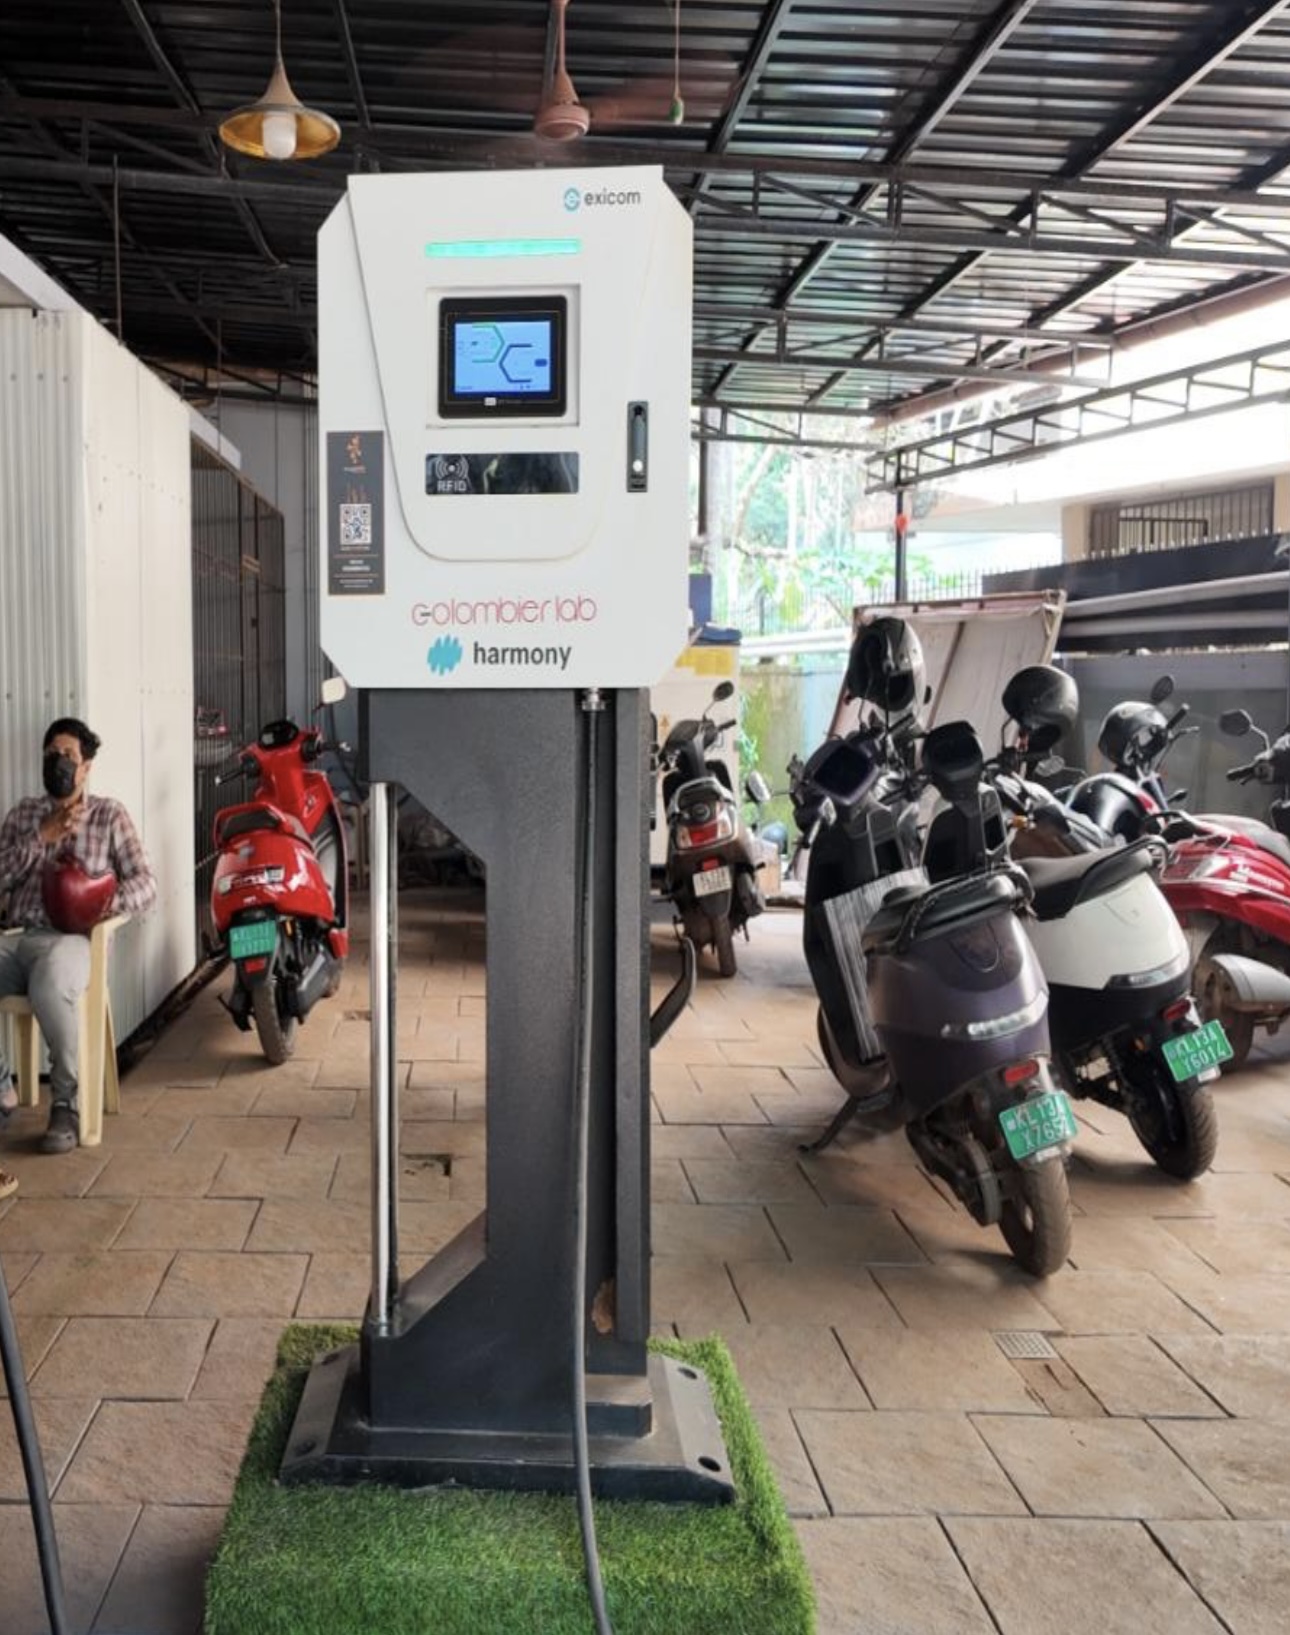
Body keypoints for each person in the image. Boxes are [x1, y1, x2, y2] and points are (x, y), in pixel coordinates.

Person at [0, 718, 156, 1170]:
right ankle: (2, 1087)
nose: (58, 762)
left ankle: (66, 1104)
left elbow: (146, 884)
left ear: (86, 767)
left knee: (50, 984)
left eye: (68, 756)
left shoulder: (108, 815)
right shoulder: (23, 815)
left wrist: (99, 904)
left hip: (70, 941)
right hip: (16, 936)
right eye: (51, 754)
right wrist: (41, 837)